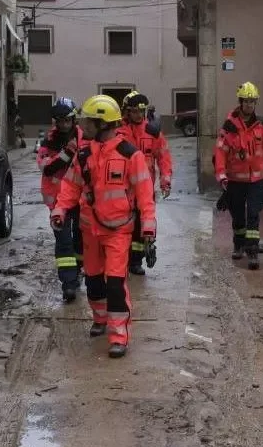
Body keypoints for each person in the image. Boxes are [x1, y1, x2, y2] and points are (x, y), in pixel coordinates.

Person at [51, 95, 156, 359]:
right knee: (95, 280)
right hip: (90, 229)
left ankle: (119, 335)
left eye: (88, 120)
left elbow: (145, 195)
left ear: (103, 123)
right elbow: (71, 185)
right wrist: (60, 209)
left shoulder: (130, 155)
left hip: (119, 230)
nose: (83, 124)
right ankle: (100, 319)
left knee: (116, 283)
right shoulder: (84, 153)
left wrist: (148, 229)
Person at [214, 81, 263, 270]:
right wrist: (221, 175)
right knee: (238, 217)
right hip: (235, 180)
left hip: (257, 179)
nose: (249, 105)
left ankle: (253, 251)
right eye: (247, 101)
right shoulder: (229, 127)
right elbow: (220, 152)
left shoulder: (262, 125)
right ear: (240, 102)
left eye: (253, 102)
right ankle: (238, 244)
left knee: (253, 214)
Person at [117, 91, 173, 276]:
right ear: (127, 112)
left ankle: (136, 260)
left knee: (142, 225)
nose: (139, 115)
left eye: (142, 111)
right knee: (124, 226)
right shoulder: (118, 133)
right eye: (134, 111)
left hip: (145, 188)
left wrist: (165, 180)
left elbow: (164, 157)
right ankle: (120, 259)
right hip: (122, 190)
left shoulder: (153, 133)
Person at [37, 97, 86, 303]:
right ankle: (68, 284)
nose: (64, 124)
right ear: (55, 122)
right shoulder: (48, 142)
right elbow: (46, 166)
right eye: (60, 121)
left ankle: (77, 274)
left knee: (81, 240)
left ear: (74, 119)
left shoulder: (85, 138)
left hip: (81, 198)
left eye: (67, 120)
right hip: (58, 202)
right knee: (63, 242)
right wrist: (67, 154)